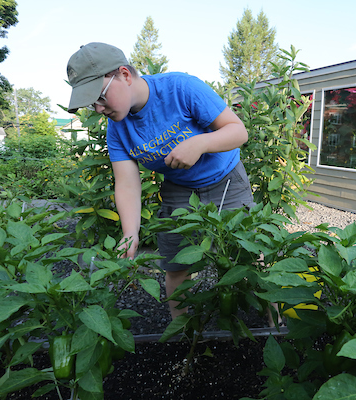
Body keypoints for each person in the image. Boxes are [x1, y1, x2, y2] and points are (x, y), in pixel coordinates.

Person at [66, 42, 255, 319]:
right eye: (91, 103)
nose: (98, 108)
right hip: (180, 189)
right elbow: (127, 183)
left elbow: (238, 132)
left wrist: (200, 143)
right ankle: (182, 333)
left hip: (226, 180)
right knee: (176, 265)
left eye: (101, 97)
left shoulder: (181, 88)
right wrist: (130, 234)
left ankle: (276, 326)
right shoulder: (117, 129)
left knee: (251, 258)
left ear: (125, 75)